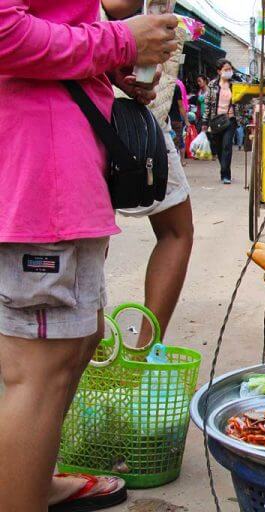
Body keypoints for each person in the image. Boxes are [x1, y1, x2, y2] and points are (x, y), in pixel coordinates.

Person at [0, 3, 176, 511]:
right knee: (38, 370)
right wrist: (119, 41)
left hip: (63, 176)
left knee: (76, 345)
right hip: (40, 179)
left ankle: (35, 481)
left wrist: (111, 61)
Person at [103, 0, 195, 343]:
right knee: (175, 230)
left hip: (117, 99)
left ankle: (95, 347)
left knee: (90, 240)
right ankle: (128, 349)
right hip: (111, 113)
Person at [204, 59, 240, 185]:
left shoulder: (235, 84)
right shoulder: (212, 85)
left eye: (230, 69)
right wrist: (205, 121)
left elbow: (242, 101)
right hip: (216, 121)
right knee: (218, 147)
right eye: (226, 69)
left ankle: (226, 175)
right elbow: (207, 104)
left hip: (230, 120)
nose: (229, 72)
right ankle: (223, 170)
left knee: (227, 146)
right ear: (219, 71)